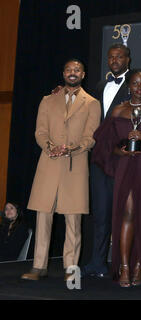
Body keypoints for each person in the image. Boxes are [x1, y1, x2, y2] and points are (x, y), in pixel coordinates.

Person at [21, 59, 101, 281]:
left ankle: (71, 268)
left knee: (73, 221)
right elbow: (40, 131)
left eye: (77, 70)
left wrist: (74, 148)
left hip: (75, 165)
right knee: (43, 217)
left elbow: (91, 136)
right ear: (63, 73)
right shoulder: (48, 100)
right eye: (68, 69)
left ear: (83, 74)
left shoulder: (92, 103)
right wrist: (50, 147)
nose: (72, 73)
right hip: (49, 163)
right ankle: (38, 267)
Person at [91, 69, 141, 287]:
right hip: (125, 166)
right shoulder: (118, 110)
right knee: (127, 213)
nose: (139, 88)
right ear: (129, 86)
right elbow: (104, 143)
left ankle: (140, 266)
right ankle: (125, 266)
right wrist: (119, 152)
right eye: (135, 83)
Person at [83, 43, 141, 278]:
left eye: (119, 57)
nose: (115, 60)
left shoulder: (138, 83)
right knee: (101, 211)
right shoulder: (100, 85)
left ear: (128, 59)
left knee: (127, 213)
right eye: (111, 57)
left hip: (128, 159)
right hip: (103, 156)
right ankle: (97, 262)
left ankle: (127, 264)